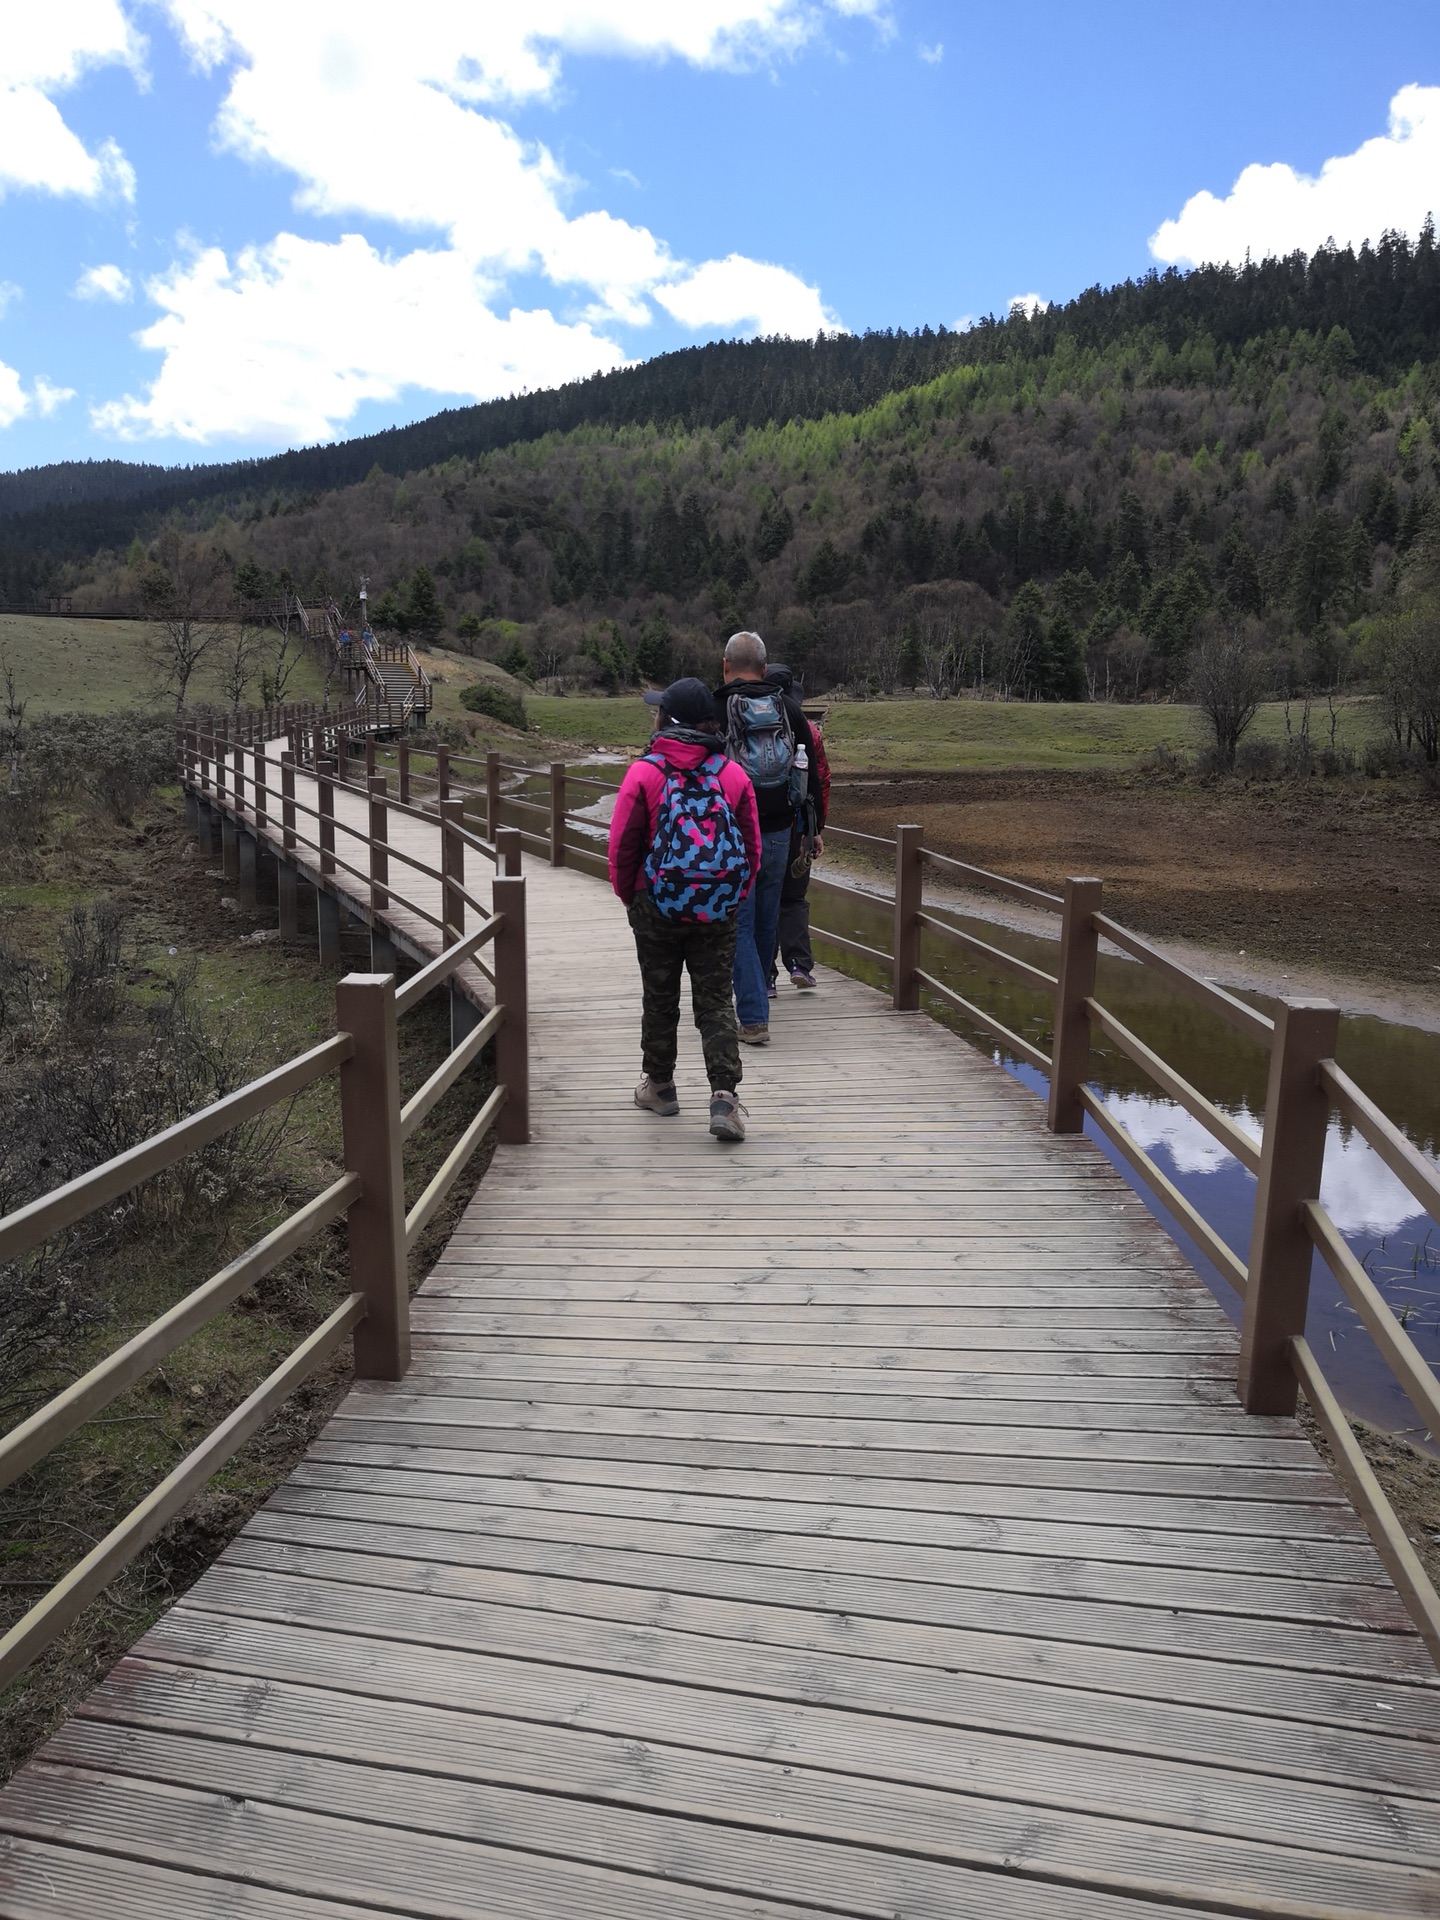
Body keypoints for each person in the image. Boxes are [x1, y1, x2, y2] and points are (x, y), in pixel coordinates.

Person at [608, 676, 760, 1142]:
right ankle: (724, 1099)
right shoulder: (732, 775)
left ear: (666, 720)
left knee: (660, 996)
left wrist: (630, 896)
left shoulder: (645, 773)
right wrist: (730, 899)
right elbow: (751, 850)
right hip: (717, 910)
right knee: (715, 1000)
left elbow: (622, 846)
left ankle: (660, 1086)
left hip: (656, 904)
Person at [713, 631, 826, 1042]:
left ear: (725, 666)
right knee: (765, 918)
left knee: (739, 922)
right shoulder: (789, 709)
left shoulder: (717, 706)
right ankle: (758, 994)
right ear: (764, 668)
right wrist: (811, 831)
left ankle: (754, 1017)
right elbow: (808, 772)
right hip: (781, 830)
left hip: (732, 830)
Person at [765, 667, 831, 993]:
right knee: (793, 898)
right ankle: (799, 965)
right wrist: (815, 829)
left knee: (763, 899)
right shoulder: (808, 732)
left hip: (758, 826)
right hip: (797, 826)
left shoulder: (747, 724)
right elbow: (822, 783)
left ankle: (765, 978)